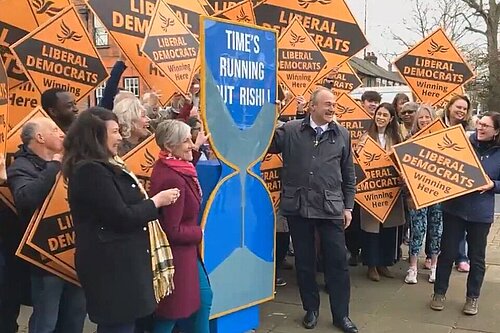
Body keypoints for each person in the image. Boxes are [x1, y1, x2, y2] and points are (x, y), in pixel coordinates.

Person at [62, 107, 179, 333]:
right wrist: (156, 202)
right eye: (115, 132)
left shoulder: (105, 165)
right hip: (111, 268)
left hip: (122, 265)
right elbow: (121, 216)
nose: (120, 137)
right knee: (118, 326)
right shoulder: (91, 171)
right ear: (96, 135)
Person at [268, 87, 358, 333]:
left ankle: (342, 316)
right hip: (298, 207)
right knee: (305, 263)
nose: (332, 108)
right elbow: (263, 143)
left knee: (338, 262)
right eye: (327, 104)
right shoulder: (290, 130)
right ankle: (311, 309)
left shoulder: (342, 135)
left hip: (330, 208)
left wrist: (348, 206)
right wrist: (270, 112)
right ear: (312, 106)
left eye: (334, 104)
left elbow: (349, 174)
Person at [7, 117, 87, 333]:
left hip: (74, 254)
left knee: (75, 317)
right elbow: (26, 199)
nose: (62, 133)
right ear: (40, 138)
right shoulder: (20, 166)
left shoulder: (71, 162)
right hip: (46, 259)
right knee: (46, 321)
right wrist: (54, 166)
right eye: (54, 130)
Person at [430, 112, 500, 316]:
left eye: (486, 125)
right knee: (447, 253)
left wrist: (492, 185)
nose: (480, 127)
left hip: (480, 215)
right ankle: (439, 293)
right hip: (454, 209)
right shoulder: (462, 143)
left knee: (476, 257)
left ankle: (472, 298)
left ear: (496, 131)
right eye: (479, 123)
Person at [150, 119, 213, 333]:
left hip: (186, 254)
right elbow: (172, 230)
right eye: (186, 141)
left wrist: (196, 147)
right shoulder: (172, 178)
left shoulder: (173, 165)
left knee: (203, 300)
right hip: (177, 256)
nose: (191, 144)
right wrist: (200, 232)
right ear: (169, 146)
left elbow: (186, 169)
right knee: (171, 314)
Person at [357, 103, 405, 282]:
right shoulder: (366, 137)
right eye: (379, 114)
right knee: (371, 230)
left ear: (391, 118)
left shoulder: (397, 138)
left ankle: (384, 263)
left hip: (391, 191)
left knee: (389, 230)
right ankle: (371, 265)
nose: (381, 117)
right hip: (372, 192)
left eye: (385, 115)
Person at [404, 105, 443, 284]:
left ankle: (434, 265)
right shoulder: (409, 139)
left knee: (436, 228)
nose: (424, 121)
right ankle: (413, 267)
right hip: (417, 192)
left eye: (428, 117)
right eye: (421, 118)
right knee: (417, 229)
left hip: (438, 192)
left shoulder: (442, 139)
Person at [439, 95, 474, 273]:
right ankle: (439, 256)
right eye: (458, 107)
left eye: (464, 109)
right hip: (437, 178)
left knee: (459, 220)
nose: (461, 111)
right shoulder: (437, 125)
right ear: (449, 107)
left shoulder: (469, 131)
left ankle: (461, 257)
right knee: (440, 224)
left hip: (458, 179)